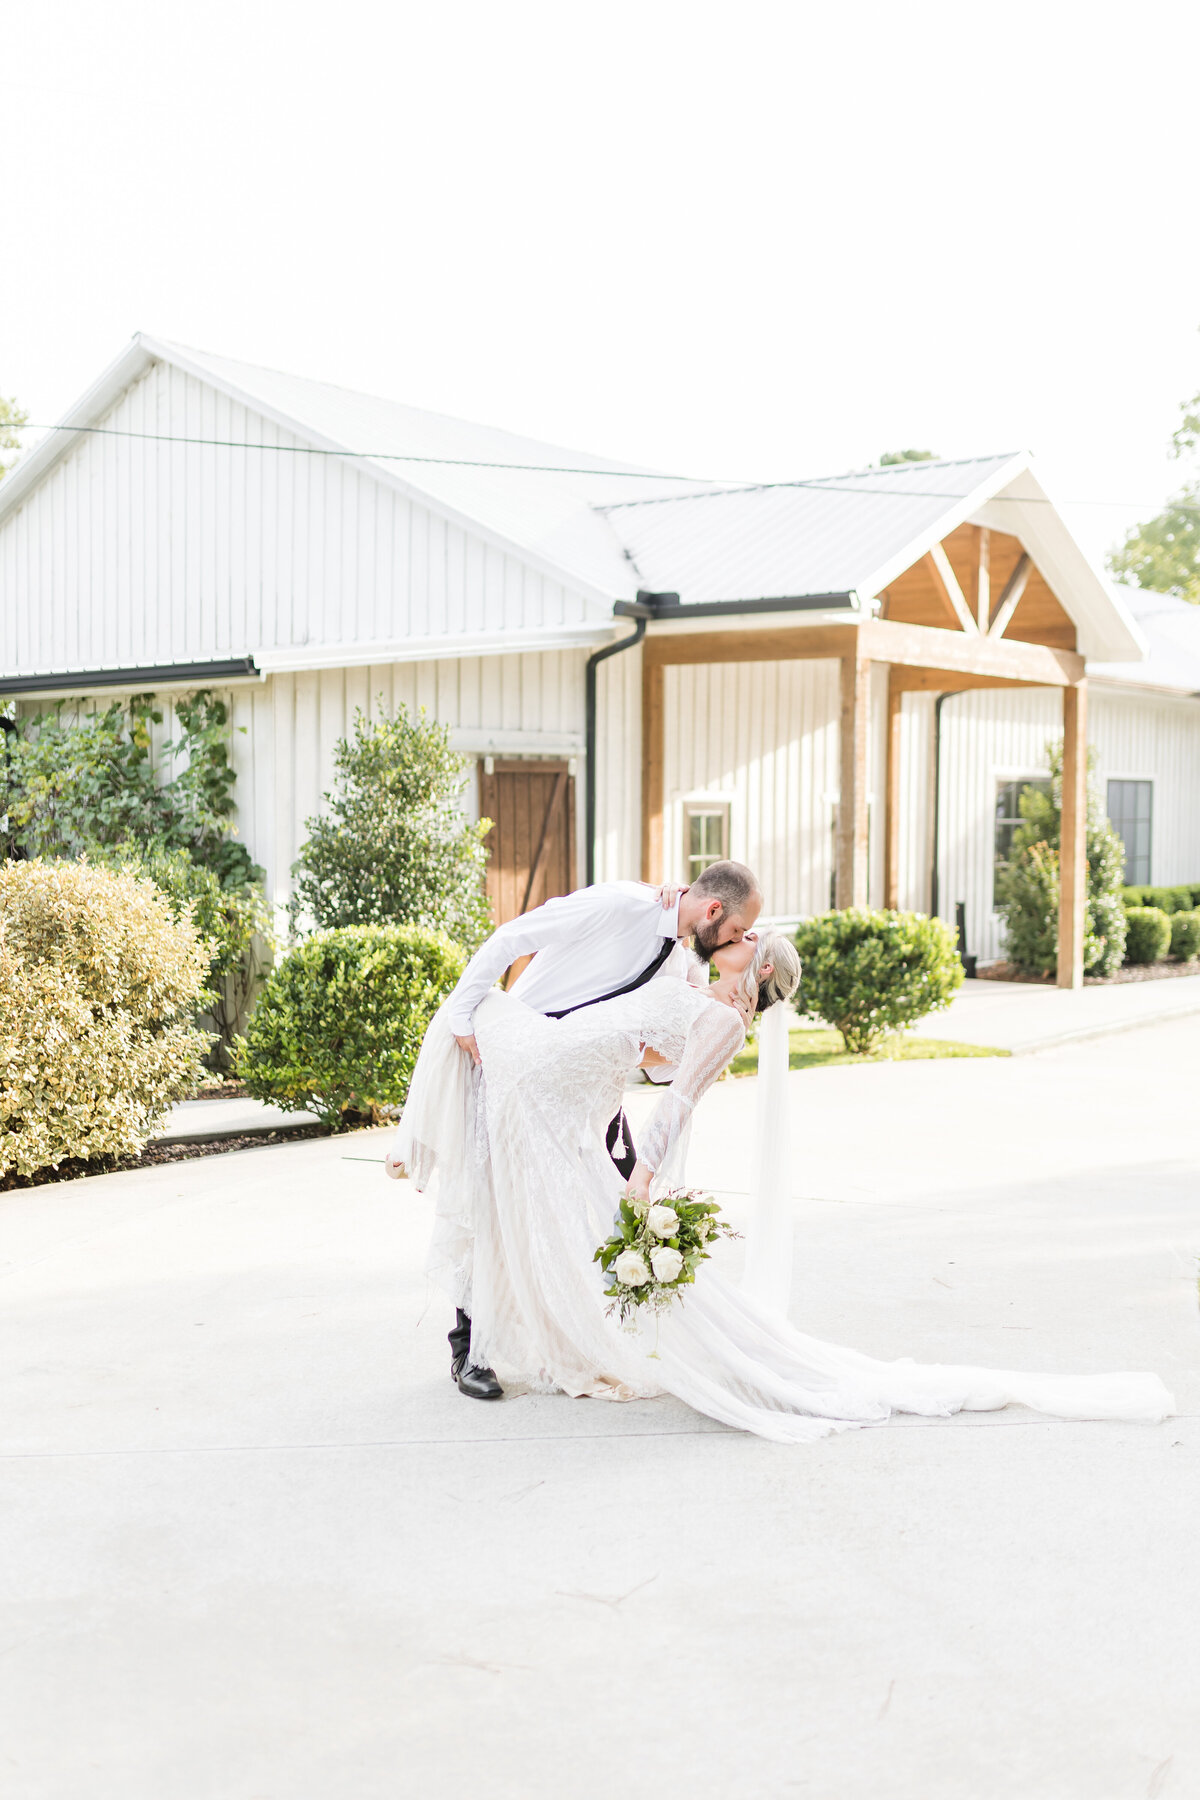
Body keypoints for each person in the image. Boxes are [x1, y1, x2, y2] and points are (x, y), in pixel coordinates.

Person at [389, 928, 1174, 1441]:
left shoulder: (725, 1019)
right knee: (524, 1211)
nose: (736, 942)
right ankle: (486, 1331)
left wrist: (645, 1177)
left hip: (566, 1100)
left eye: (749, 942)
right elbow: (643, 1053)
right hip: (560, 1091)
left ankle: (492, 1333)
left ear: (759, 968)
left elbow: (678, 1098)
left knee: (550, 1215)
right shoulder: (690, 981)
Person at [426, 861, 763, 1396]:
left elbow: (656, 1068)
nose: (741, 940)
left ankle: (635, 1330)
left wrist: (710, 1047)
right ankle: (470, 1351)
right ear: (713, 910)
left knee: (633, 1208)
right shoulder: (622, 904)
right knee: (491, 1201)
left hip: (588, 1094)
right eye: (738, 931)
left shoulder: (683, 963)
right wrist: (463, 1014)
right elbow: (514, 935)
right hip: (517, 1067)